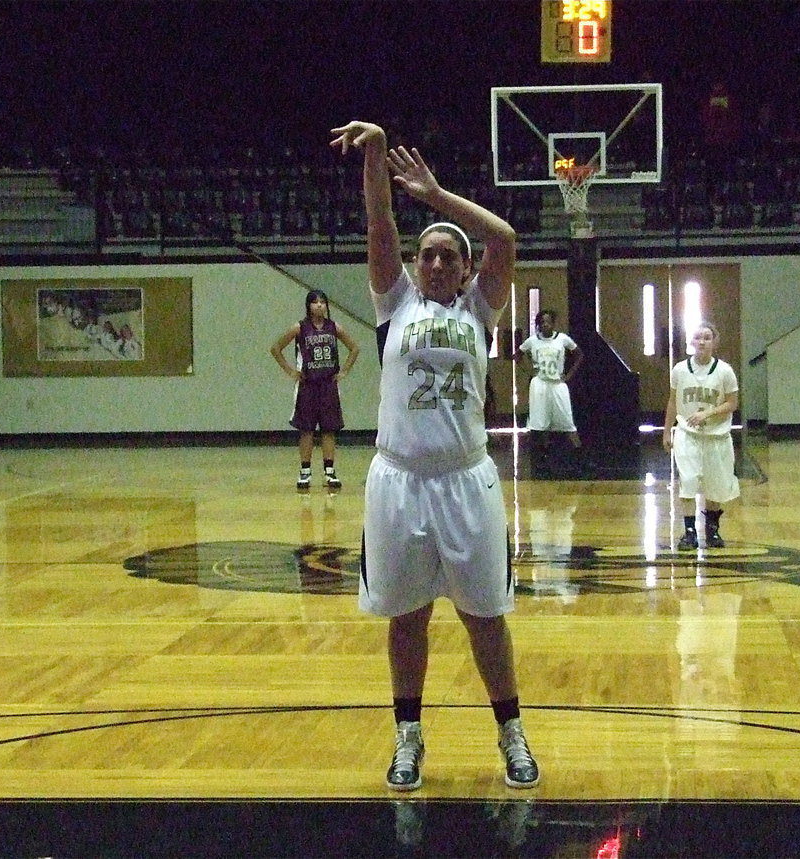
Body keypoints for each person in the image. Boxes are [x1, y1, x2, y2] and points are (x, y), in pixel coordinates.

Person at [329, 119, 539, 792]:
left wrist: (438, 195)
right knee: (406, 615)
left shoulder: (480, 308)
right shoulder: (395, 305)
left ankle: (511, 732)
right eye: (430, 255)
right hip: (399, 482)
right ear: (417, 266)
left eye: (450, 254)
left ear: (466, 267)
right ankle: (408, 736)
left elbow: (504, 237)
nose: (439, 261)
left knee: (485, 617)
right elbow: (379, 225)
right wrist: (375, 149)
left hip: (465, 480)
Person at [271, 289, 359, 490]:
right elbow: (276, 348)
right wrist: (290, 370)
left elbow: (354, 348)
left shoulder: (334, 327)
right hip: (307, 385)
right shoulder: (299, 328)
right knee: (306, 430)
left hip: (328, 384)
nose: (319, 305)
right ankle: (305, 472)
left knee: (329, 430)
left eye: (322, 302)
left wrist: (344, 371)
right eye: (315, 302)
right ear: (308, 306)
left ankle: (329, 472)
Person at [662, 322, 740, 550]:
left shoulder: (725, 371)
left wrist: (709, 412)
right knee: (687, 480)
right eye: (698, 337)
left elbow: (733, 403)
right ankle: (689, 532)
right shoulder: (679, 370)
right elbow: (672, 401)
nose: (702, 341)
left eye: (707, 337)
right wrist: (667, 430)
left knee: (715, 485)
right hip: (688, 434)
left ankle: (712, 530)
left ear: (714, 342)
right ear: (691, 342)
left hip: (717, 435)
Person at [514, 309, 583, 475]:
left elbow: (579, 354)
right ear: (538, 325)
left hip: (557, 383)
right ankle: (543, 460)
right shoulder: (532, 341)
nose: (545, 324)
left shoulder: (562, 339)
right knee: (541, 423)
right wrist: (530, 372)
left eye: (548, 321)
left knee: (567, 422)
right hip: (540, 384)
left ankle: (581, 458)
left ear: (553, 323)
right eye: (542, 322)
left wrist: (569, 375)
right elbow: (517, 356)